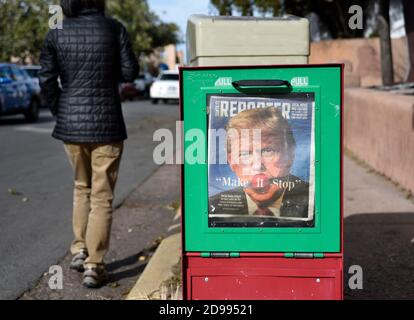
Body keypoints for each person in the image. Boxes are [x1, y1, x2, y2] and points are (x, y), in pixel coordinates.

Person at [39, 0, 139, 288]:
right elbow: (130, 72)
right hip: (107, 124)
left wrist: (62, 110)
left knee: (81, 187)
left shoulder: (56, 32)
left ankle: (79, 249)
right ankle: (95, 265)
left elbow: (46, 78)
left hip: (71, 126)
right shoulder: (114, 29)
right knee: (102, 194)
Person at [209, 107, 312, 226]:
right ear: (231, 162)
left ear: (290, 154)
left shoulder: (315, 203)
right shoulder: (213, 208)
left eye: (268, 150)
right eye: (245, 154)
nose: (258, 166)